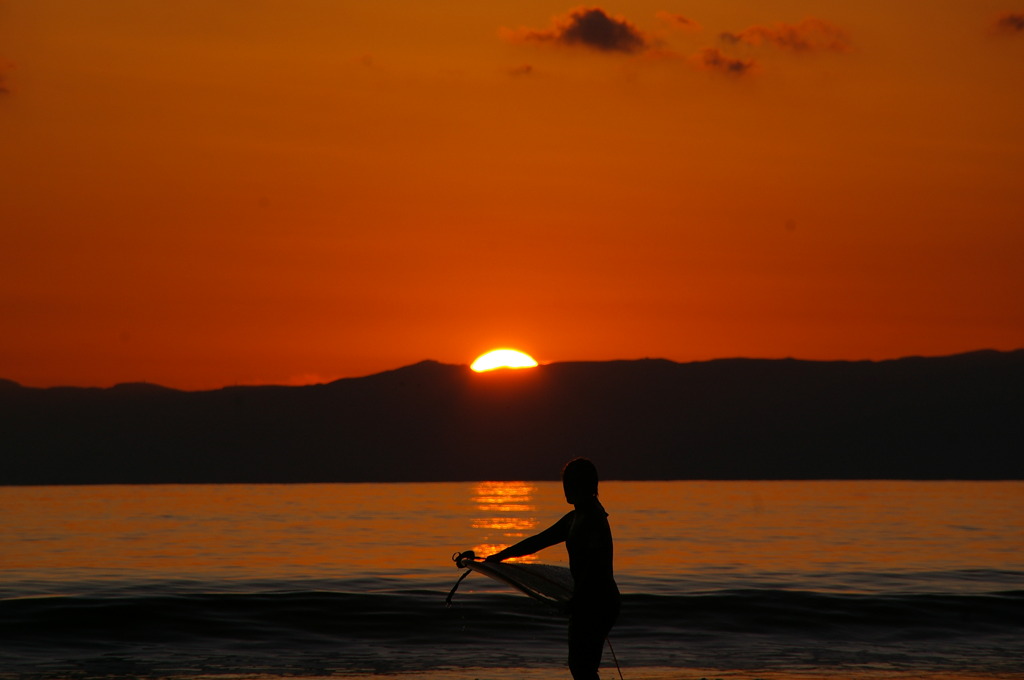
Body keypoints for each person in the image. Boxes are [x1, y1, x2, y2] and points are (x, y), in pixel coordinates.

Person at [486, 458, 620, 680]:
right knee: (581, 666)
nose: (566, 489)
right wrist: (499, 556)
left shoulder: (593, 518)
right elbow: (539, 541)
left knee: (582, 666)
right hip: (588, 600)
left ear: (587, 485)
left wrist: (577, 601)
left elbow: (595, 566)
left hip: (598, 602)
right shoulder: (575, 517)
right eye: (565, 482)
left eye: (572, 483)